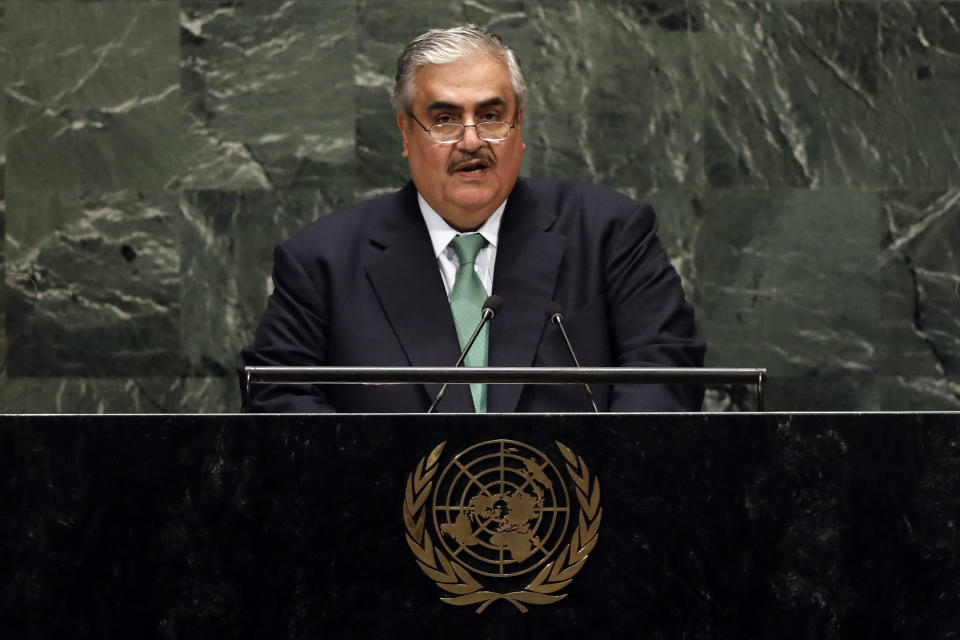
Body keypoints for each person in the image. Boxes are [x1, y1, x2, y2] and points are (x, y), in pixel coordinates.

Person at [239, 24, 705, 413]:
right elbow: (277, 398)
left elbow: (666, 375)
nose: (471, 141)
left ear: (519, 127)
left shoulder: (610, 234)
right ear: (405, 133)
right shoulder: (322, 263)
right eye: (444, 119)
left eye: (491, 116)